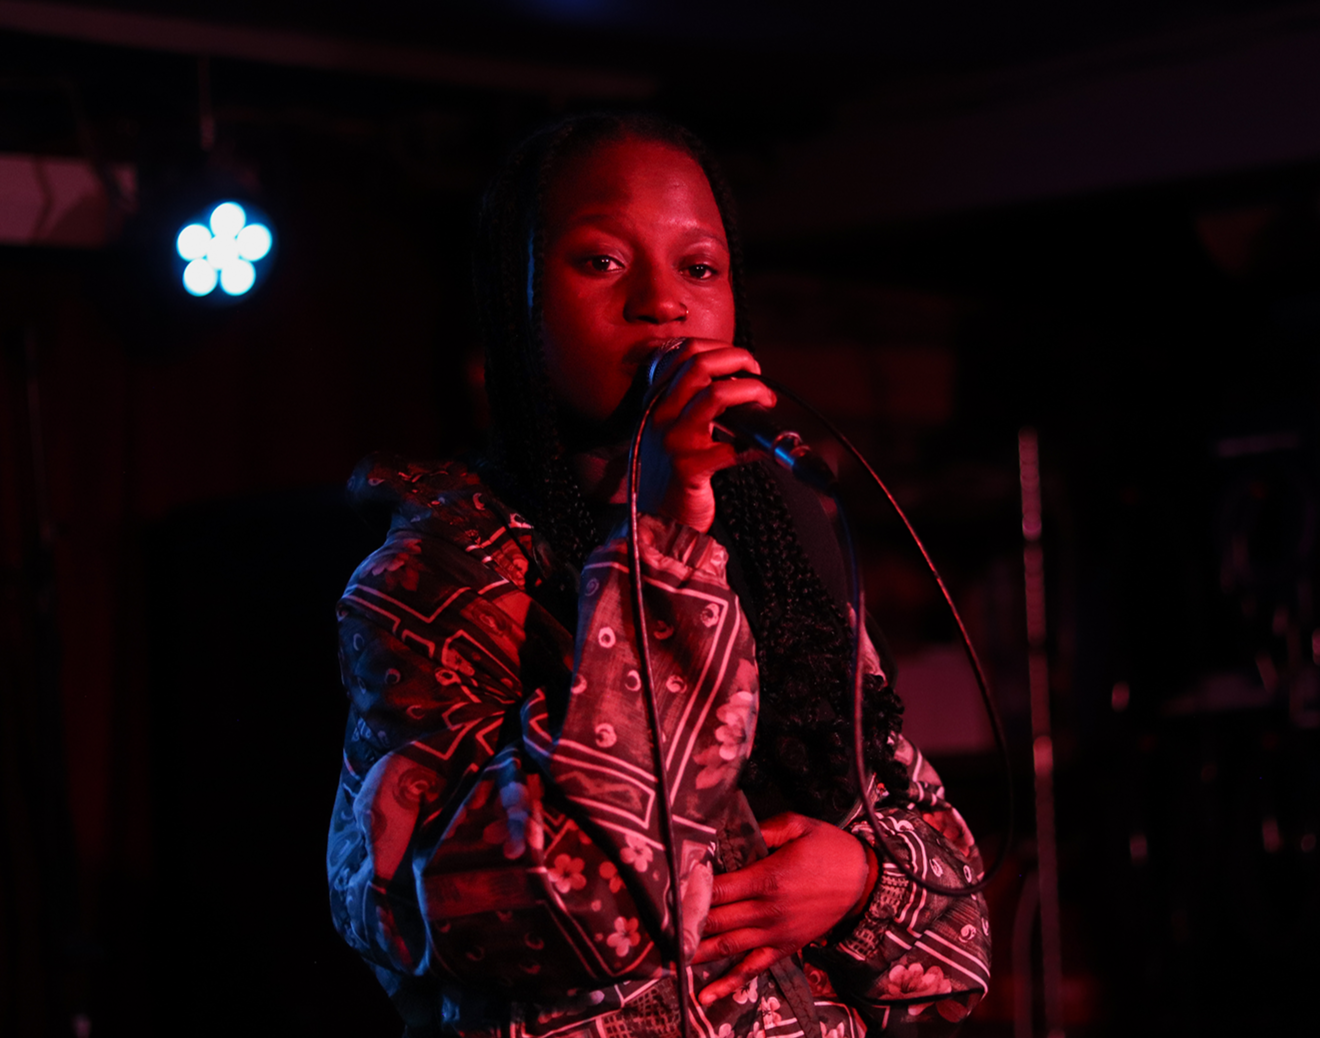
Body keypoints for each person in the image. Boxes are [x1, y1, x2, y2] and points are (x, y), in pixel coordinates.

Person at [327, 113, 990, 1038]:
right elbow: (545, 910)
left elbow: (959, 924)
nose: (662, 303)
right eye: (601, 261)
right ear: (518, 302)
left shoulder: (779, 551)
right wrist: (661, 540)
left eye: (700, 268)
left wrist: (859, 880)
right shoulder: (433, 577)